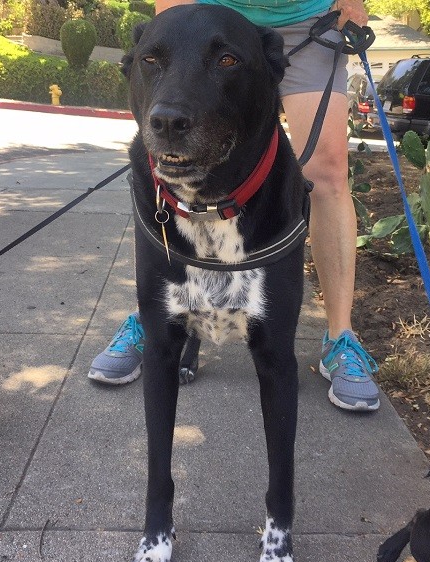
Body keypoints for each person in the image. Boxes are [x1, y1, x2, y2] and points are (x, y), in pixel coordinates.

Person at [88, 0, 380, 412]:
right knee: (167, 166)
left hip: (306, 19)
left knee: (327, 171)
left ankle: (340, 336)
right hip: (211, 11)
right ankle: (161, 315)